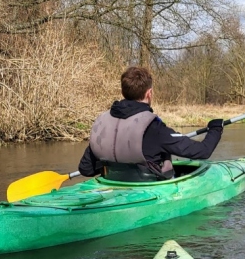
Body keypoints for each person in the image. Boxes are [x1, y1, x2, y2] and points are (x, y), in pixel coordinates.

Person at [78, 66, 224, 181]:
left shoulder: (102, 122)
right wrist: (215, 128)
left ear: (123, 93)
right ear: (149, 93)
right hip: (148, 186)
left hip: (112, 183)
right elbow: (203, 151)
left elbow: (86, 169)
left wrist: (116, 169)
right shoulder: (154, 127)